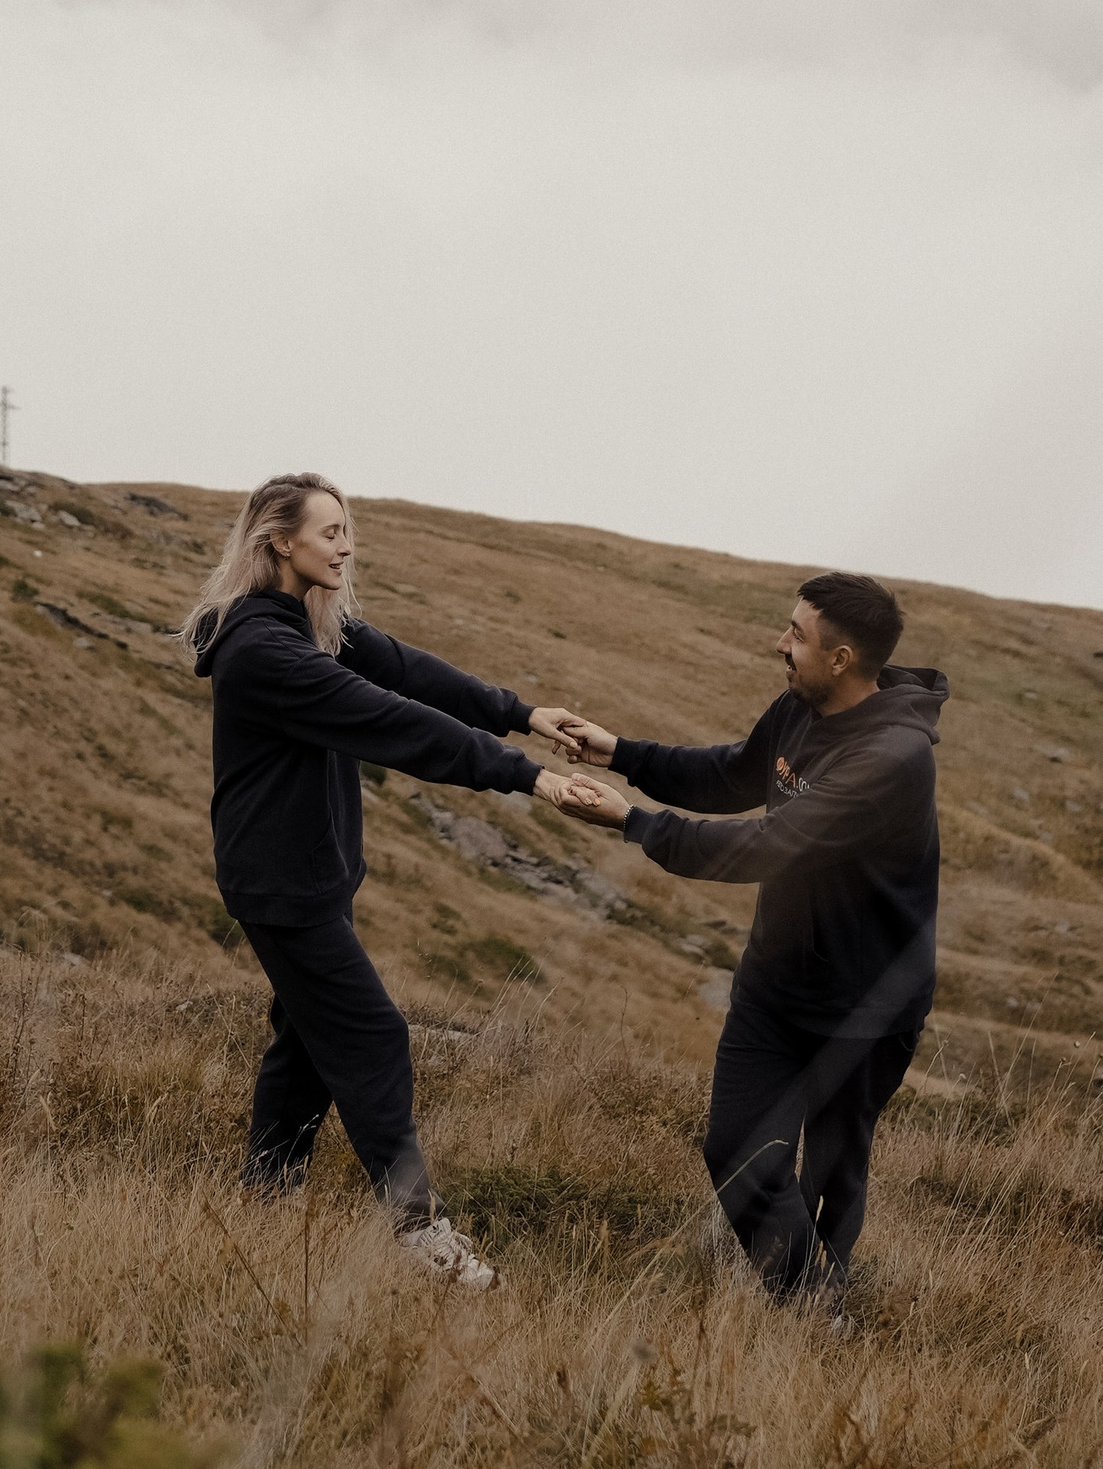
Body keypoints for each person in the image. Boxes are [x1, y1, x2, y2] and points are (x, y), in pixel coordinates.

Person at [184, 471, 590, 1289]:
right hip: (281, 885)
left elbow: (408, 670)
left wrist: (519, 712)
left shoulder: (310, 625)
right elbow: (392, 719)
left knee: (304, 1043)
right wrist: (527, 777)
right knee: (372, 1036)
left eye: (347, 529)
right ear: (279, 543)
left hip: (310, 877)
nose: (345, 544)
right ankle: (418, 1232)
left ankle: (264, 1200)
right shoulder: (264, 651)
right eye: (329, 532)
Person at [536, 573, 944, 1311]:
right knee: (738, 1153)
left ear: (843, 657)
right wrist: (618, 751)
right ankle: (813, 1305)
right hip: (776, 988)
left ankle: (818, 1323)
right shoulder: (800, 706)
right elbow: (731, 776)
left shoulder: (893, 761)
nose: (780, 643)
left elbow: (765, 847)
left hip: (866, 1010)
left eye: (796, 635)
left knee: (833, 1175)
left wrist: (634, 823)